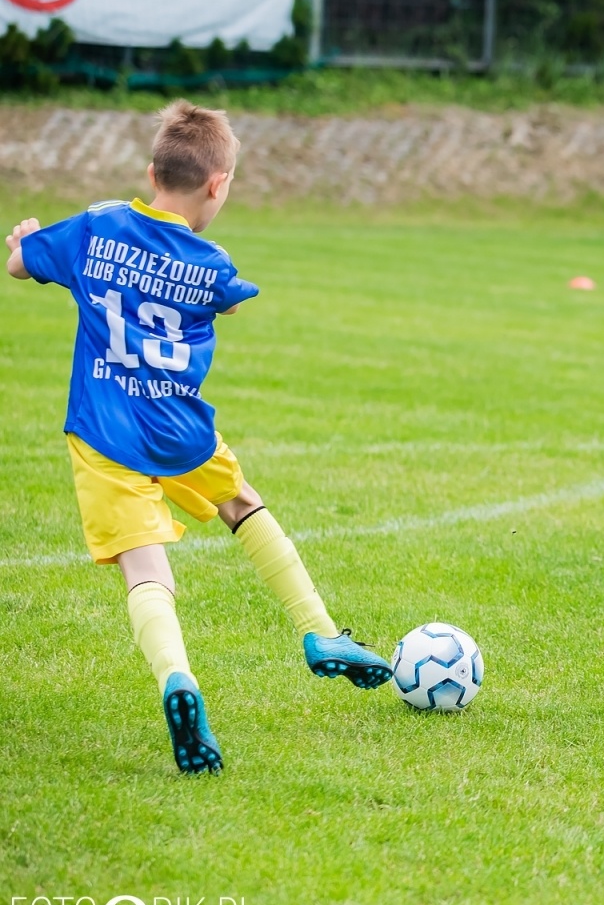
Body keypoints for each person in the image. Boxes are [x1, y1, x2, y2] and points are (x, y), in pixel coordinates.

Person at [4, 100, 393, 775]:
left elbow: (20, 265)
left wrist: (24, 239)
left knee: (145, 565)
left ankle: (178, 679)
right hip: (181, 428)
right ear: (218, 185)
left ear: (152, 170)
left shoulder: (95, 227)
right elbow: (231, 296)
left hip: (106, 429)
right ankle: (320, 633)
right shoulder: (211, 262)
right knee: (241, 503)